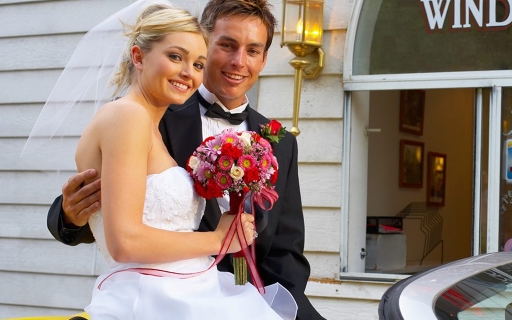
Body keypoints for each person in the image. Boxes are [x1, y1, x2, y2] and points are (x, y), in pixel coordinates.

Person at [43, 0, 324, 319]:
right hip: (166, 294)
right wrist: (70, 215)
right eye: (227, 45)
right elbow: (107, 216)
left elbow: (285, 249)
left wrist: (288, 310)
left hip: (245, 297)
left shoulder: (280, 141)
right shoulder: (151, 115)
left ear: (264, 59)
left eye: (252, 50)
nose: (238, 62)